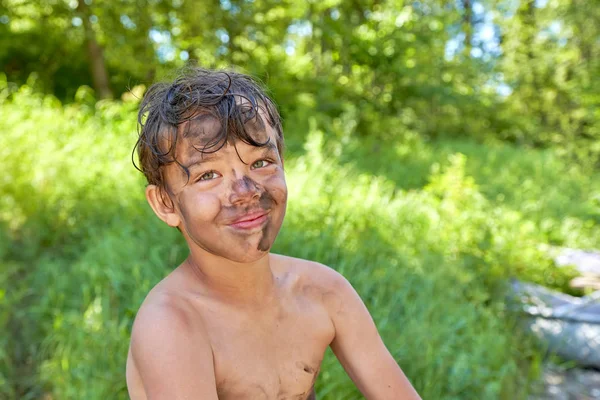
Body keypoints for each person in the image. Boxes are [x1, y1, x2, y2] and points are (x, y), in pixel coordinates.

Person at [125, 67, 421, 400]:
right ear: (165, 203)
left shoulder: (323, 291)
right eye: (208, 174)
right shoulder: (172, 325)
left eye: (261, 162)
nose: (245, 191)